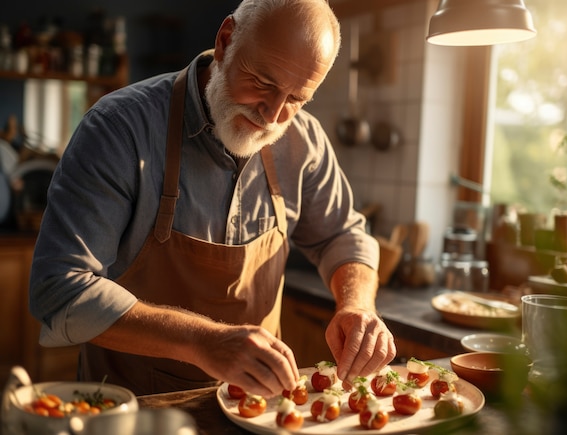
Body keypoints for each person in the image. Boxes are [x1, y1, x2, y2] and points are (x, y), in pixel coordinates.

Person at [29, 0, 396, 397]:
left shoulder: (304, 141)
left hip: (261, 408)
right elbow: (59, 288)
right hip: (133, 407)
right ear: (226, 41)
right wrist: (202, 342)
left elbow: (341, 234)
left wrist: (357, 305)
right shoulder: (119, 129)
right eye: (264, 83)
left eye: (295, 99)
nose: (272, 116)